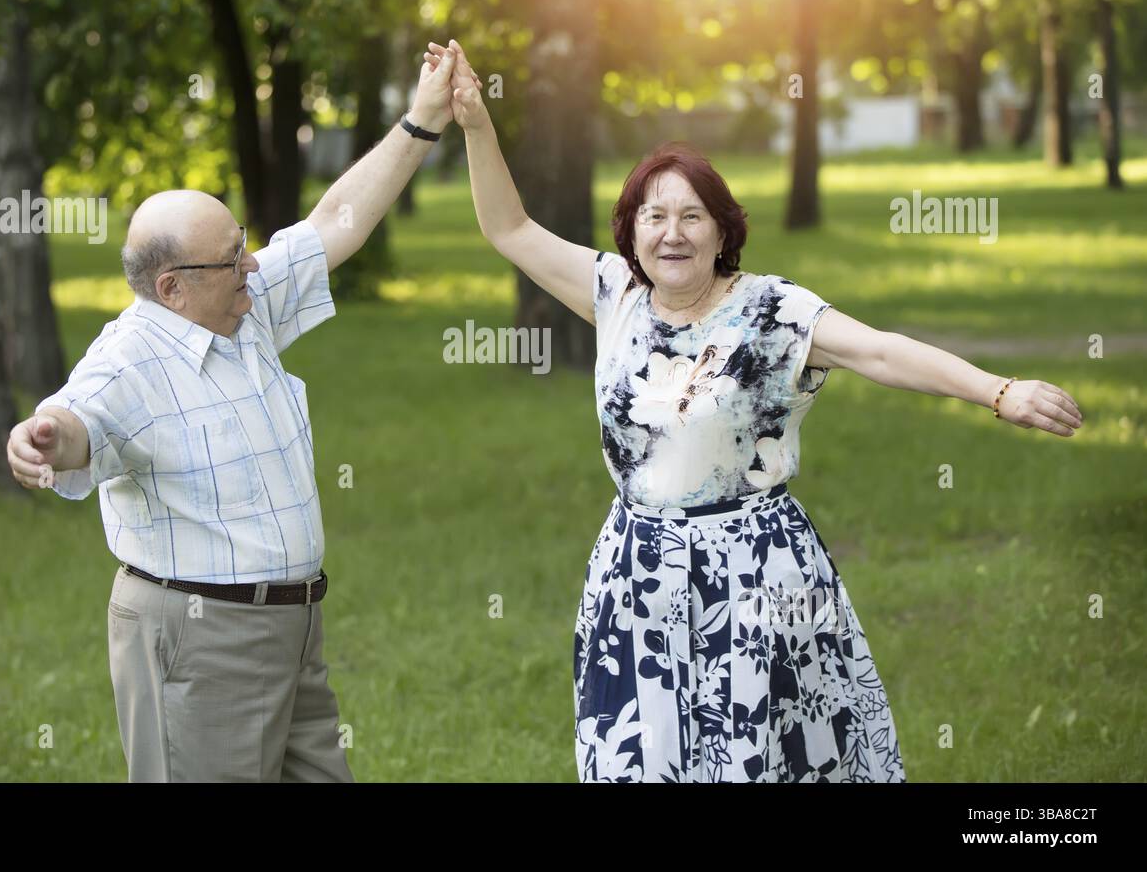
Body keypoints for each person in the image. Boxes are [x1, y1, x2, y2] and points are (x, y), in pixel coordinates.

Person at [425, 39, 1084, 782]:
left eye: (692, 217)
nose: (671, 233)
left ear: (722, 230)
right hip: (636, 579)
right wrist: (476, 124)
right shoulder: (616, 296)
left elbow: (881, 352)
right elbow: (508, 229)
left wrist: (999, 392)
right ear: (631, 229)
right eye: (654, 216)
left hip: (757, 579)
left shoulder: (772, 311)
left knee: (765, 760)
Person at [4, 44, 466, 782]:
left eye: (244, 244)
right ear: (173, 286)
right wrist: (41, 440)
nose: (252, 263)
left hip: (295, 632)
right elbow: (74, 422)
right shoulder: (129, 361)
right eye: (232, 257)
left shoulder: (239, 309)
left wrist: (422, 118)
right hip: (200, 639)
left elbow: (338, 221)